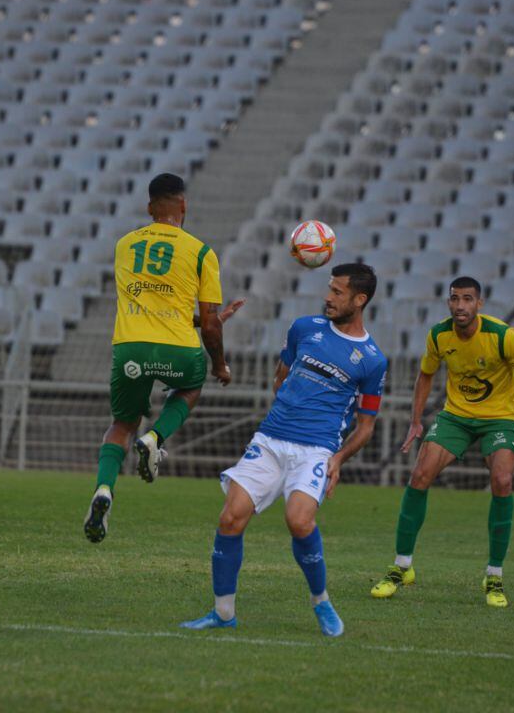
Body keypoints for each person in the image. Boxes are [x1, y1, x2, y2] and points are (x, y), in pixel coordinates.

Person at [181, 263, 388, 637]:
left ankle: (321, 601)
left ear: (360, 300)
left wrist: (338, 458)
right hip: (272, 439)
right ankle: (223, 613)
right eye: (329, 288)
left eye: (338, 292)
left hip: (316, 450)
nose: (328, 297)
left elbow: (367, 425)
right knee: (231, 518)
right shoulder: (303, 328)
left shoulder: (373, 360)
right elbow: (281, 376)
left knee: (299, 520)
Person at [370, 276, 514, 608]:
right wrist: (416, 420)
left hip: (500, 418)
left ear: (479, 304)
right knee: (420, 475)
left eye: (467, 299)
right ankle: (401, 567)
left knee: (502, 480)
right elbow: (426, 374)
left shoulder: (503, 335)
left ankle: (494, 575)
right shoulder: (439, 334)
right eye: (454, 299)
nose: (459, 305)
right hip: (456, 417)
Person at [84, 173, 237, 544]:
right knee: (190, 385)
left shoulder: (125, 245)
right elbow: (208, 327)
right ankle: (155, 437)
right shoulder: (201, 252)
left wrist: (205, 319)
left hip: (132, 347)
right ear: (184, 205)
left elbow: (153, 301)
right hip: (179, 348)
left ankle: (104, 489)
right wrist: (218, 362)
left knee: (121, 425)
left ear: (149, 208)